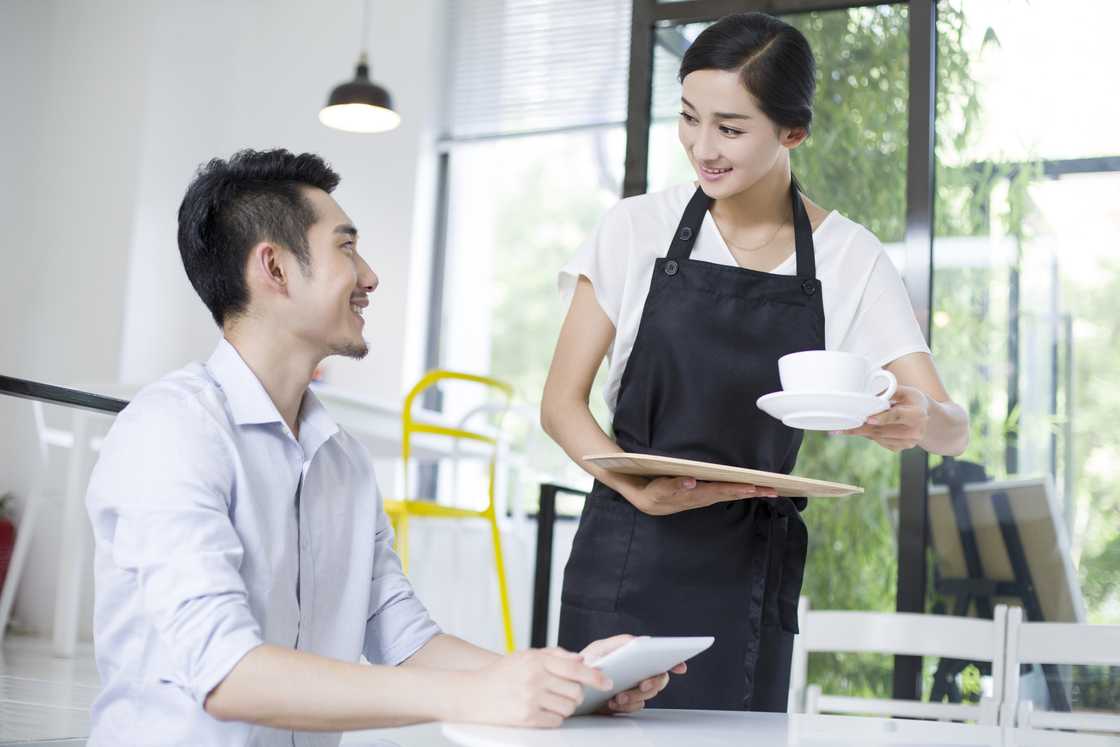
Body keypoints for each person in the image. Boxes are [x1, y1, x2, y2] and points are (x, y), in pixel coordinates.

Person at [84, 149, 684, 746]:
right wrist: (478, 695)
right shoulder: (172, 431)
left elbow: (402, 638)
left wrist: (571, 682)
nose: (369, 276)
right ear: (273, 268)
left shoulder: (340, 459)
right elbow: (226, 673)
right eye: (346, 247)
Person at [540, 12, 969, 712]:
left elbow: (955, 427)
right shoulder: (634, 228)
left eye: (730, 128)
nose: (701, 147)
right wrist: (632, 486)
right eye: (688, 118)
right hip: (624, 549)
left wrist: (919, 418)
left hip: (747, 572)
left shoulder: (848, 257)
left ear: (792, 132)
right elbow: (560, 403)